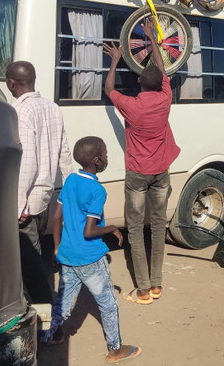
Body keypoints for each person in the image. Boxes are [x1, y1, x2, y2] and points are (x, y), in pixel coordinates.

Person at [39, 137, 142, 363]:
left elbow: (56, 217)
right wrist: (112, 228)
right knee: (108, 304)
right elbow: (89, 231)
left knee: (63, 306)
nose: (106, 157)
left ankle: (40, 340)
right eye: (104, 154)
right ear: (97, 160)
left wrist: (56, 249)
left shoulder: (70, 180)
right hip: (90, 258)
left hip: (67, 255)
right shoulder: (97, 190)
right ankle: (115, 349)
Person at [103, 19, 180, 305]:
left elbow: (109, 89)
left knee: (135, 228)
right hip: (161, 172)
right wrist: (152, 40)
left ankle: (144, 290)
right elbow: (161, 69)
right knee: (158, 226)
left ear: (139, 82)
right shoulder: (165, 99)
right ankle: (157, 285)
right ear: (160, 85)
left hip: (137, 173)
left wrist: (115, 61)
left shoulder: (131, 106)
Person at [6, 61, 73, 305]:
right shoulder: (52, 107)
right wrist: (71, 187)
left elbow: (27, 162)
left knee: (30, 265)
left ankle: (45, 316)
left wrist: (19, 205)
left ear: (11, 83)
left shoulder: (20, 112)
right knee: (33, 259)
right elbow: (64, 152)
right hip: (44, 197)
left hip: (26, 204)